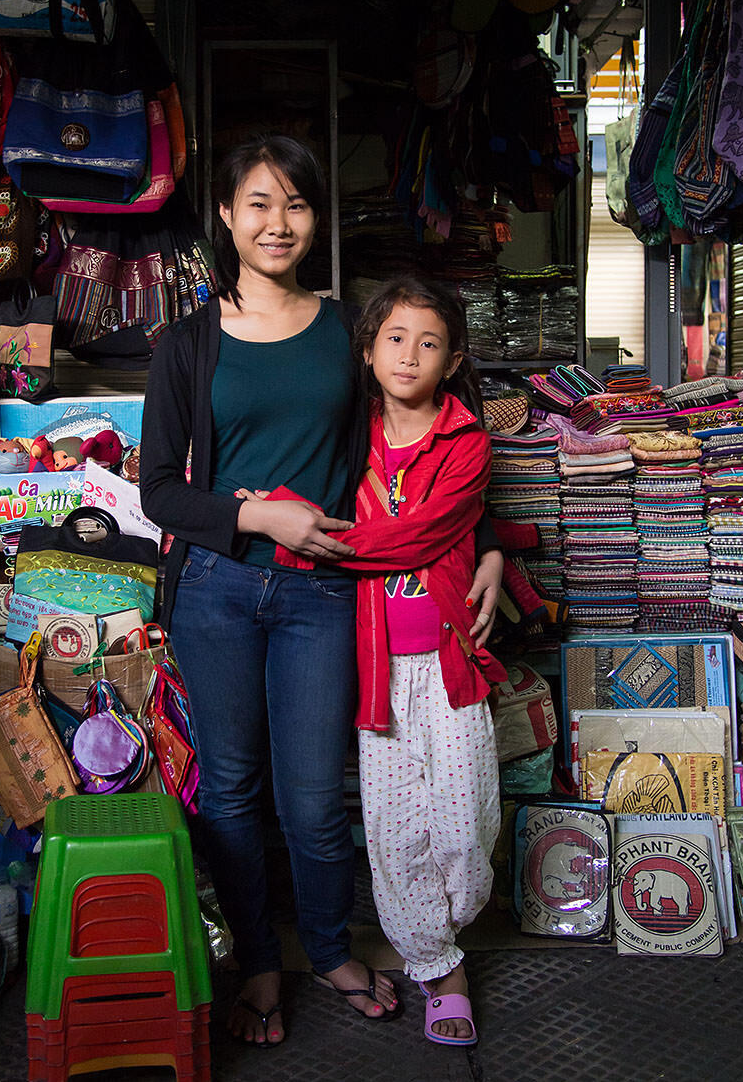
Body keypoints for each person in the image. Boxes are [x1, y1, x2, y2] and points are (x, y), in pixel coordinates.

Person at [139, 134, 503, 1048]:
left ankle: (332, 949)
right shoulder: (185, 343)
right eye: (258, 203)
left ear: (314, 220)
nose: (277, 223)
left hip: (327, 595)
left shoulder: (349, 330)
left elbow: (420, 454)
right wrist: (259, 519)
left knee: (311, 796)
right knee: (229, 789)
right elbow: (158, 491)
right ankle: (259, 960)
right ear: (226, 216)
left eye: (295, 205)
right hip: (218, 589)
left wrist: (489, 547)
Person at [250, 277, 506, 1047]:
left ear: (452, 357)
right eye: (394, 338)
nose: (410, 354)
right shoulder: (344, 433)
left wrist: (308, 535)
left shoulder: (467, 442)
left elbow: (424, 534)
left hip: (451, 662)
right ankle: (439, 969)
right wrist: (265, 507)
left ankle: (446, 926)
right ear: (366, 350)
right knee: (395, 832)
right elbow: (295, 487)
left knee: (466, 825)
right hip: (377, 669)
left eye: (429, 343)